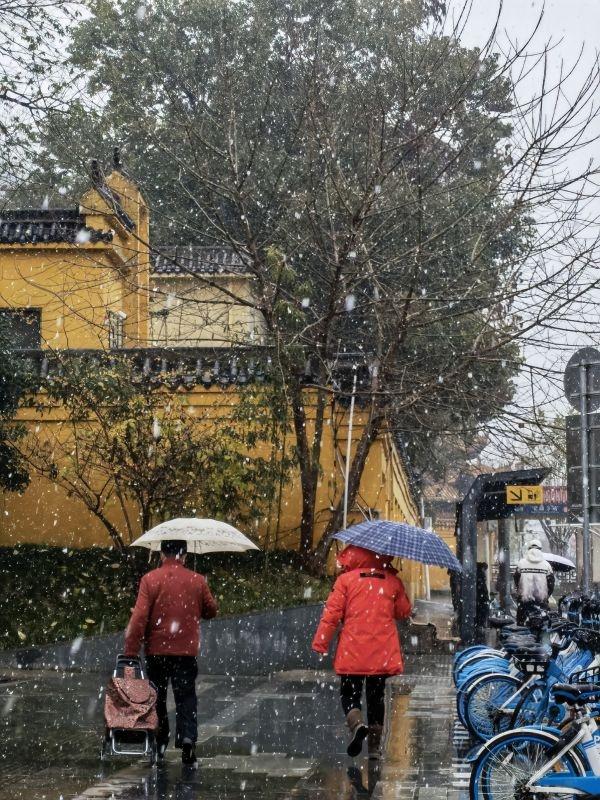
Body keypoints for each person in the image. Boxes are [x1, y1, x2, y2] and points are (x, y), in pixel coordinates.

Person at [311, 545, 412, 759]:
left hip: (352, 650)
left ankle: (357, 723)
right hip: (381, 652)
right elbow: (403, 612)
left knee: (349, 694)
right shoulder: (392, 581)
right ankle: (374, 747)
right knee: (376, 698)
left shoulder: (346, 581)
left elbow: (332, 615)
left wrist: (321, 642)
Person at [124, 539, 218, 766]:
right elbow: (212, 610)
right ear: (184, 555)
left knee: (157, 697)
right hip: (186, 652)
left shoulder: (150, 579)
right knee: (186, 697)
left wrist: (131, 650)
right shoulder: (197, 580)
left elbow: (139, 618)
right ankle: (187, 740)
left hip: (157, 650)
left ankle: (160, 739)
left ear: (161, 554)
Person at [513, 538, 555, 625]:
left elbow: (516, 579)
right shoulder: (546, 565)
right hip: (541, 603)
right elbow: (551, 584)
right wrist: (546, 596)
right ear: (540, 549)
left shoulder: (521, 563)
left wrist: (521, 591)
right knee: (543, 626)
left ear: (528, 549)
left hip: (524, 602)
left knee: (521, 628)